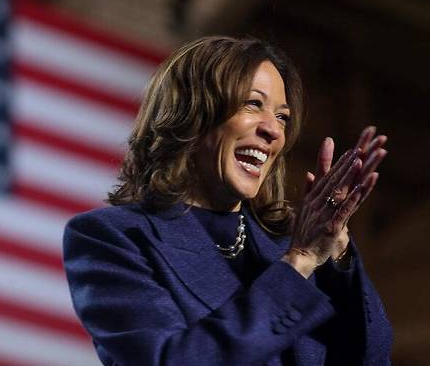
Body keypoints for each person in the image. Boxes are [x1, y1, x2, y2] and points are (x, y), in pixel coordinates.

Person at [63, 36, 392, 365]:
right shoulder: (112, 238)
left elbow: (372, 358)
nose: (274, 131)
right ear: (191, 112)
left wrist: (337, 251)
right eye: (252, 103)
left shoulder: (289, 241)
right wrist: (299, 263)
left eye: (282, 116)